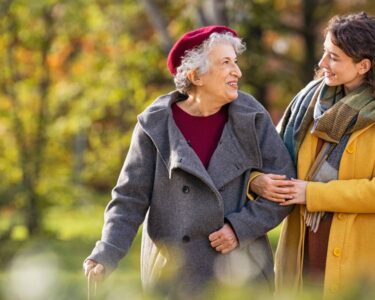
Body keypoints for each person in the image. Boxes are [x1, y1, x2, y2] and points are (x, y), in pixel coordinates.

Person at [83, 25, 295, 297]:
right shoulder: (155, 125)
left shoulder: (252, 116)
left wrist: (239, 228)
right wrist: (106, 253)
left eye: (236, 62)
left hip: (241, 272)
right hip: (175, 275)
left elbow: (284, 187)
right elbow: (129, 199)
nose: (237, 72)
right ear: (196, 75)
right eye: (226, 63)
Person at [249, 12, 375, 298]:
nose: (321, 64)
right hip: (302, 252)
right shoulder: (308, 104)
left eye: (334, 57)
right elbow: (269, 157)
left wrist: (314, 194)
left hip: (360, 261)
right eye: (323, 53)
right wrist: (257, 181)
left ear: (363, 65)